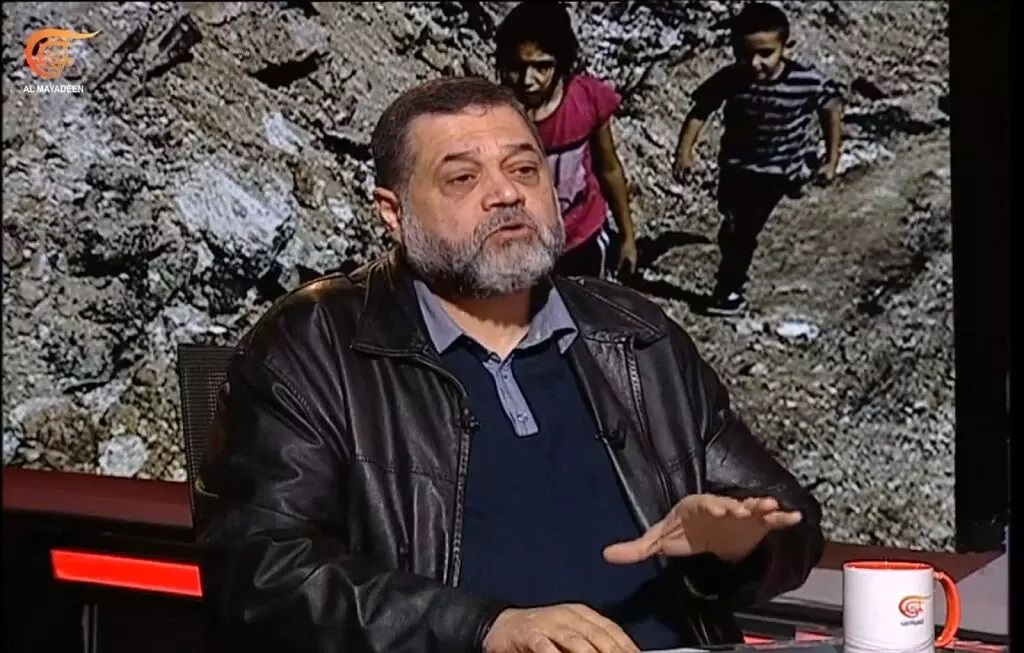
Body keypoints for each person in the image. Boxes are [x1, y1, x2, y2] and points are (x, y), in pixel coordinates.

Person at [197, 76, 825, 653]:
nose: (506, 194)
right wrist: (483, 630)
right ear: (393, 213)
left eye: (525, 169)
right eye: (462, 179)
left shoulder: (635, 335)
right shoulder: (311, 347)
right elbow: (261, 573)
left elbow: (788, 519)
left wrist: (736, 548)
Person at [672, 2, 843, 316]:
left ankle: (729, 290)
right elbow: (701, 110)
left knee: (743, 229)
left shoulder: (807, 81)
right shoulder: (730, 79)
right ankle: (734, 242)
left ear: (786, 47)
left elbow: (831, 109)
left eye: (766, 53)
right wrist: (684, 152)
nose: (754, 63)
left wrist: (831, 159)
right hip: (736, 166)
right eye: (744, 54)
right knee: (732, 219)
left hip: (777, 170)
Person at [495, 1, 638, 281]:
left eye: (542, 67)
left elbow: (608, 168)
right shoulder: (493, 116)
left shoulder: (586, 101)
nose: (528, 80)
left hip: (581, 237)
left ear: (561, 64)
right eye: (517, 67)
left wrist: (627, 236)